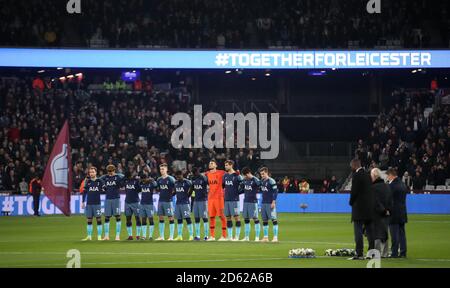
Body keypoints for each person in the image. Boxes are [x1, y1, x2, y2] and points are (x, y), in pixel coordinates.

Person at [349, 159, 375, 259]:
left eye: (351, 166)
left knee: (358, 231)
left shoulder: (356, 175)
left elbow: (354, 191)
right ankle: (372, 253)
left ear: (354, 166)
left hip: (359, 208)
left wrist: (351, 202)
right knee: (370, 231)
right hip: (368, 208)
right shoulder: (368, 175)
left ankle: (359, 253)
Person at [370, 168, 393, 258]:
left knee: (376, 234)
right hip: (386, 213)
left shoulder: (373, 188)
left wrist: (382, 210)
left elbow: (376, 202)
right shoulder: (387, 186)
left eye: (371, 175)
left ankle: (376, 253)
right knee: (385, 232)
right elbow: (391, 200)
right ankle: (385, 253)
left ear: (375, 176)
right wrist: (388, 211)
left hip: (376, 213)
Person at [386, 168, 408, 258]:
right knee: (402, 234)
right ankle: (403, 252)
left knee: (394, 234)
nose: (387, 177)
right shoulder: (403, 184)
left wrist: (386, 209)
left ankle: (394, 253)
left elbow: (388, 200)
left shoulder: (391, 186)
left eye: (387, 175)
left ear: (391, 175)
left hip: (393, 213)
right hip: (402, 212)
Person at [99, 164, 124, 241]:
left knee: (118, 217)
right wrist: (103, 186)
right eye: (108, 171)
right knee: (107, 217)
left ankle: (117, 236)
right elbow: (99, 179)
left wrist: (117, 174)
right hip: (108, 199)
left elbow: (123, 177)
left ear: (114, 170)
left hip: (116, 199)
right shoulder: (105, 177)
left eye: (111, 171)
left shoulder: (118, 177)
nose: (109, 173)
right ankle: (106, 236)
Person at [81, 167, 106, 241]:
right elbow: (84, 192)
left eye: (93, 172)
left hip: (97, 203)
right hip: (89, 203)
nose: (91, 173)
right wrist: (83, 202)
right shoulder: (88, 181)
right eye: (90, 172)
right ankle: (89, 236)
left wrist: (105, 189)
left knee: (98, 219)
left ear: (96, 173)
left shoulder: (100, 181)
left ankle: (99, 236)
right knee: (89, 219)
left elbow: (105, 190)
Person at [205, 160, 227, 241]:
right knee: (211, 217)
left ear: (216, 165)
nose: (210, 164)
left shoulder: (221, 172)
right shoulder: (207, 173)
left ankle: (224, 236)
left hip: (219, 197)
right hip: (210, 198)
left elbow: (231, 173)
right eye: (209, 163)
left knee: (221, 216)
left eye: (212, 163)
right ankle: (212, 236)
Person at [223, 160, 243, 241]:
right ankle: (230, 236)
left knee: (236, 217)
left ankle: (237, 236)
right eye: (225, 165)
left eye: (227, 165)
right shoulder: (225, 176)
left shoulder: (237, 175)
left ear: (231, 165)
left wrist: (238, 193)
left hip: (234, 200)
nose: (225, 166)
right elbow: (223, 186)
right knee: (228, 217)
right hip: (227, 199)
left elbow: (243, 185)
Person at [240, 167, 261, 242]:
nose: (244, 177)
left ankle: (257, 237)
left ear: (248, 173)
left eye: (245, 175)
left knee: (255, 219)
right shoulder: (245, 180)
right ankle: (246, 237)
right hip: (246, 202)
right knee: (246, 219)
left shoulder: (255, 180)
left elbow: (260, 184)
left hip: (253, 202)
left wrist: (253, 177)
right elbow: (241, 189)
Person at [155, 163, 176, 241]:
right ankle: (161, 236)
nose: (161, 170)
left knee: (170, 217)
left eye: (163, 169)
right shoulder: (159, 179)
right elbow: (158, 189)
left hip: (168, 201)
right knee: (160, 217)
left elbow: (176, 188)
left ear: (166, 169)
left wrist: (172, 195)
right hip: (161, 200)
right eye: (160, 169)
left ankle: (171, 236)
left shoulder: (171, 179)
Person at [259, 167, 279, 242]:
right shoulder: (262, 181)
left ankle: (275, 237)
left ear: (267, 173)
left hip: (270, 203)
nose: (262, 175)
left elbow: (275, 192)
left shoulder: (271, 181)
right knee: (264, 220)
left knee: (274, 219)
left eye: (263, 174)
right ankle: (265, 237)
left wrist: (273, 202)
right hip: (263, 203)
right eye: (261, 174)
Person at [173, 171, 194, 241]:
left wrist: (188, 196)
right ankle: (179, 236)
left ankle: (191, 235)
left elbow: (192, 188)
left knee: (188, 218)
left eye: (179, 176)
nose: (178, 178)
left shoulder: (187, 182)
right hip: (178, 203)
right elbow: (175, 191)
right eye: (177, 177)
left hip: (185, 203)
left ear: (182, 175)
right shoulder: (176, 183)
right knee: (179, 219)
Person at [122, 170, 141, 240]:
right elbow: (121, 183)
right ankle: (130, 236)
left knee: (137, 218)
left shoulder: (136, 181)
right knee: (128, 219)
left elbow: (140, 189)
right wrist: (124, 178)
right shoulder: (125, 181)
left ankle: (138, 235)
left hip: (135, 202)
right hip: (127, 202)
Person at [191, 167, 209, 241]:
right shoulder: (193, 178)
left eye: (195, 173)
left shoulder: (203, 178)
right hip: (196, 200)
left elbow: (209, 184)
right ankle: (197, 236)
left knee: (204, 218)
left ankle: (206, 236)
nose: (195, 174)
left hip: (203, 200)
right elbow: (192, 188)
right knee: (197, 218)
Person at [139, 172, 157, 240]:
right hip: (142, 204)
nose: (143, 180)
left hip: (149, 204)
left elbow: (156, 185)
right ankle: (143, 236)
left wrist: (152, 180)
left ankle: (150, 236)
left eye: (144, 179)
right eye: (142, 179)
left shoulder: (151, 184)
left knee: (151, 219)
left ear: (147, 178)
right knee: (143, 220)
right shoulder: (142, 184)